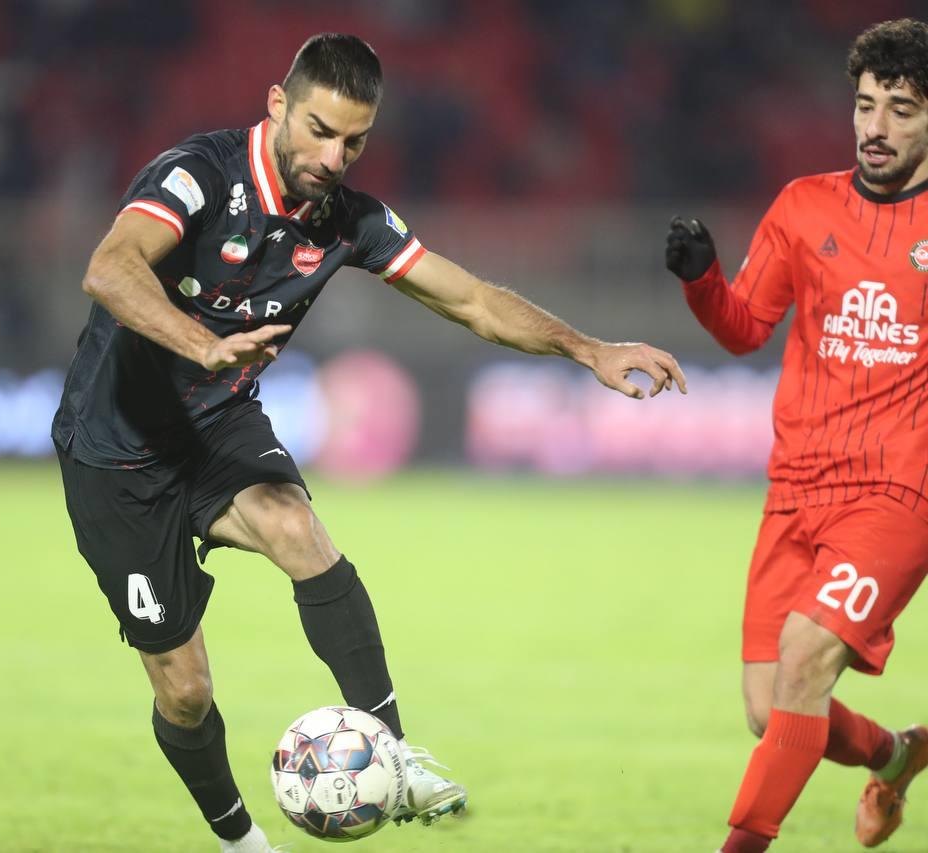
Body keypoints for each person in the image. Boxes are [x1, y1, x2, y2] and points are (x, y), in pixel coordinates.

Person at [54, 33, 686, 852]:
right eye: (319, 130)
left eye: (353, 142)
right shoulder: (199, 175)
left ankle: (394, 751)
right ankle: (242, 842)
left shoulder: (348, 219)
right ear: (278, 105)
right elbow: (109, 269)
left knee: (296, 525)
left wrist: (588, 349)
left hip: (213, 424)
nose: (333, 157)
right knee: (185, 691)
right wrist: (202, 345)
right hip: (117, 451)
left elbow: (473, 300)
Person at [666, 18, 928, 853]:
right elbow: (746, 326)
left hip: (896, 493)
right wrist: (702, 280)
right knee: (769, 705)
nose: (875, 127)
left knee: (806, 658)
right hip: (796, 490)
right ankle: (897, 754)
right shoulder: (804, 205)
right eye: (865, 105)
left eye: (901, 110)